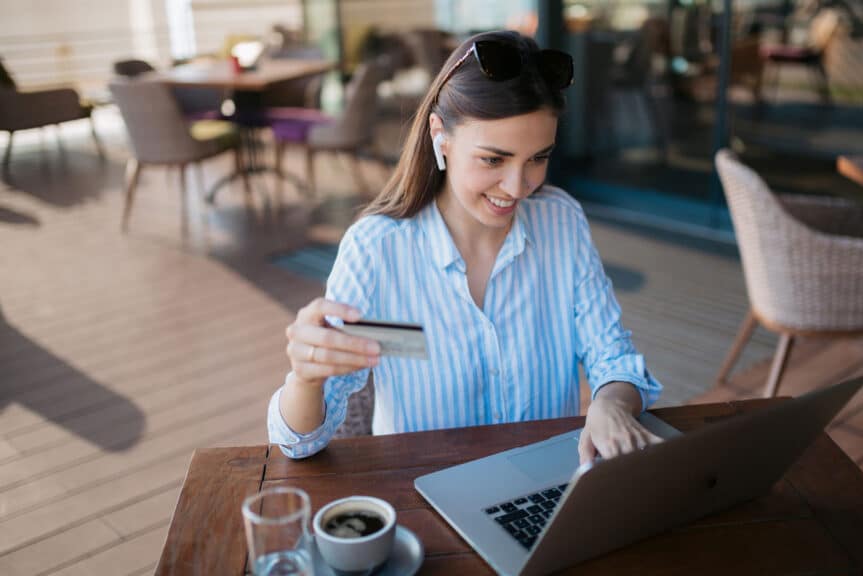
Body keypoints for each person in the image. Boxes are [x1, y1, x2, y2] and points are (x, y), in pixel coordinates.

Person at [268, 30, 664, 464]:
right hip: (423, 498)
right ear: (441, 136)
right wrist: (305, 379)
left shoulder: (562, 223)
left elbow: (614, 358)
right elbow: (299, 442)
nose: (518, 187)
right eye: (493, 159)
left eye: (538, 157)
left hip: (547, 491)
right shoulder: (377, 252)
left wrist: (609, 403)